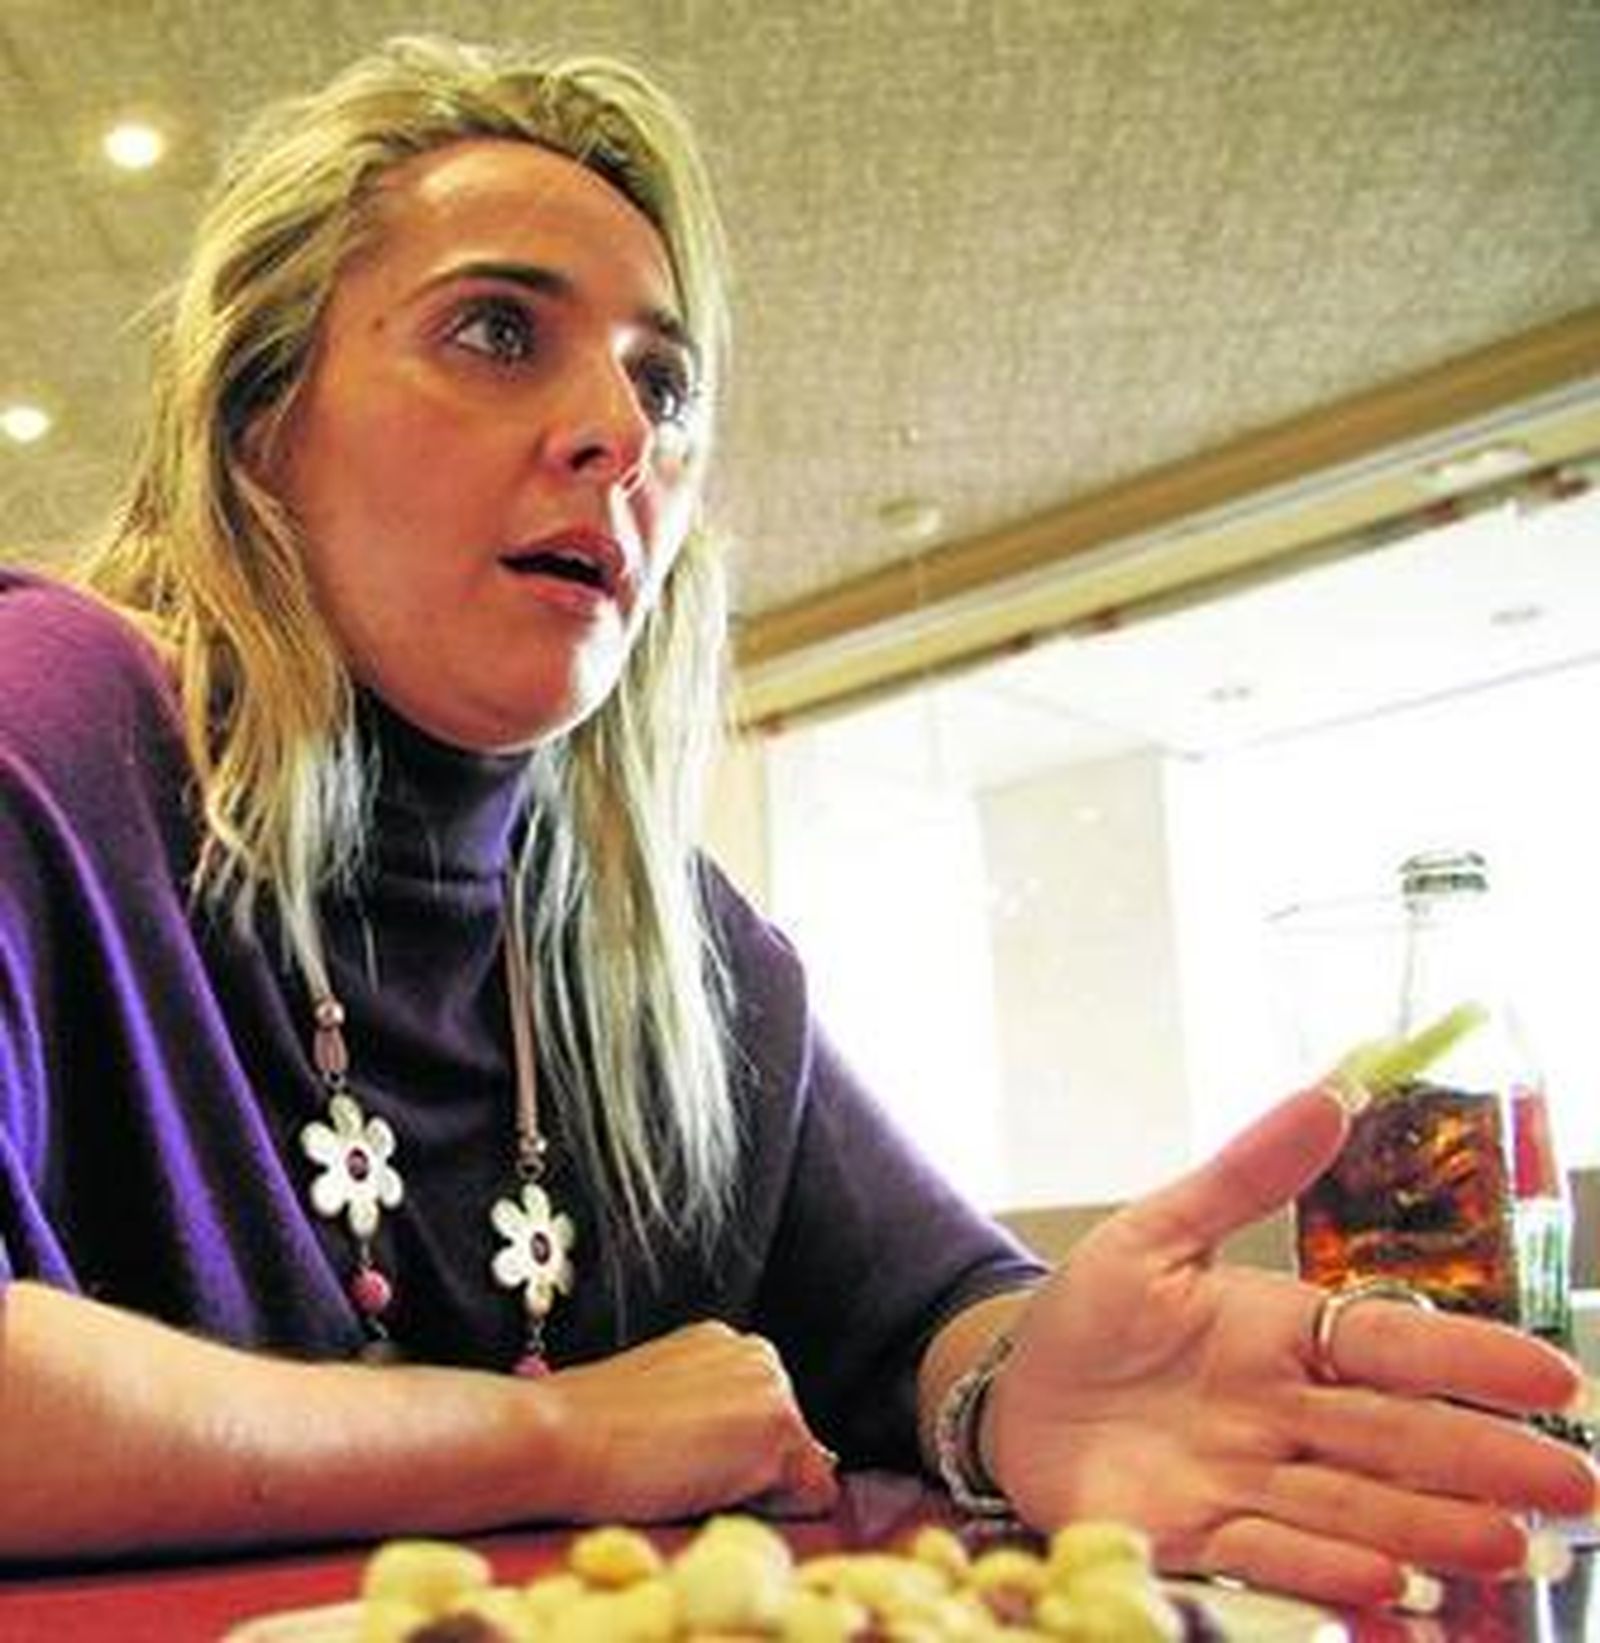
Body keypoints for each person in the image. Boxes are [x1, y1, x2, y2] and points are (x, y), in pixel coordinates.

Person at [0, 34, 1591, 1610]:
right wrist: (549, 1436)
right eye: (495, 331)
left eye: (664, 383)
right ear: (259, 416)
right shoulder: (52, 714)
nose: (619, 435)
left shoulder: (673, 937)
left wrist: (1019, 1392)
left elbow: (937, 1310)